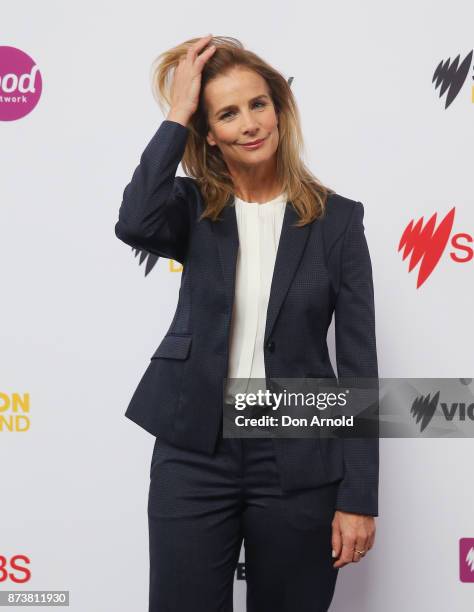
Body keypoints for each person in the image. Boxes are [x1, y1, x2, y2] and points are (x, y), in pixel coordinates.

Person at [115, 34, 378, 612]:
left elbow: (359, 363)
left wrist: (359, 496)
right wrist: (177, 113)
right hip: (194, 451)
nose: (250, 123)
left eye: (258, 104)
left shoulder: (339, 221)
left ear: (279, 109)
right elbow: (134, 222)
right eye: (227, 113)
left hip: (299, 452)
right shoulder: (191, 208)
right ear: (208, 133)